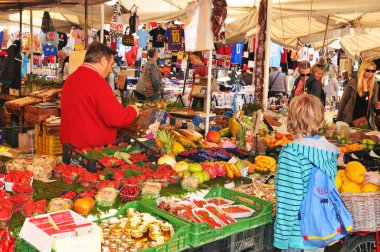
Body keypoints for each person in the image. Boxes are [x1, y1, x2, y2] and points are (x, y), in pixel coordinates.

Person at [274, 94, 339, 252]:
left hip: (298, 236)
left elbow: (289, 200)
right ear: (320, 120)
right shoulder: (329, 152)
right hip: (319, 232)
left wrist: (280, 240)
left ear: (290, 119)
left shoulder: (292, 152)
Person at [61, 42, 139, 148]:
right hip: (91, 152)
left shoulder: (71, 78)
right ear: (103, 61)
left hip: (71, 148)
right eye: (111, 64)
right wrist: (133, 110)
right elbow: (116, 118)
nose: (111, 69)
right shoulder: (97, 83)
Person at [337, 59, 378, 129]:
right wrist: (339, 120)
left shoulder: (374, 85)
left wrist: (377, 106)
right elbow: (343, 102)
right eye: (368, 70)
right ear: (362, 70)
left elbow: (373, 104)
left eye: (373, 71)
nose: (370, 73)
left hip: (366, 121)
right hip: (350, 119)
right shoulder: (352, 83)